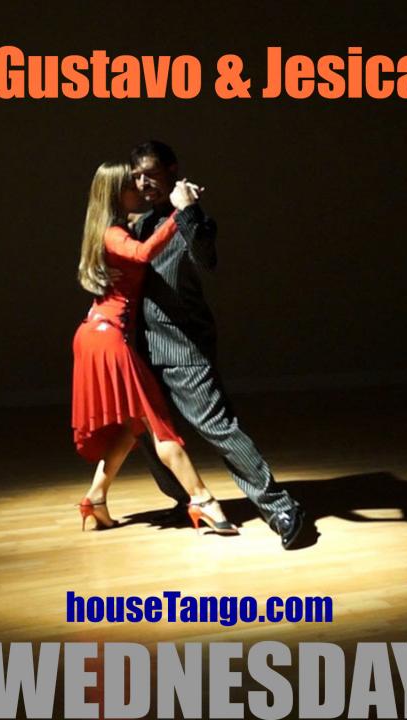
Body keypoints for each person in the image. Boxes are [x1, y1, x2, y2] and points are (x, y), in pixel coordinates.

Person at [128, 140, 305, 549]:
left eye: (150, 173)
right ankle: (186, 499)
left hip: (183, 347)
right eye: (137, 176)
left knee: (219, 428)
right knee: (148, 433)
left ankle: (281, 507)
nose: (143, 183)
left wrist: (188, 209)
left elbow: (206, 258)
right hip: (142, 350)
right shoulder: (138, 225)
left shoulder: (193, 219)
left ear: (172, 170)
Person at [71, 162, 238, 536]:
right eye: (132, 184)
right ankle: (203, 499)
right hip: (108, 338)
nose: (141, 188)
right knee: (159, 425)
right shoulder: (113, 233)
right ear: (117, 194)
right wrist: (181, 211)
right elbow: (145, 253)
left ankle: (95, 499)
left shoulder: (112, 229)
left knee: (134, 426)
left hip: (97, 333)